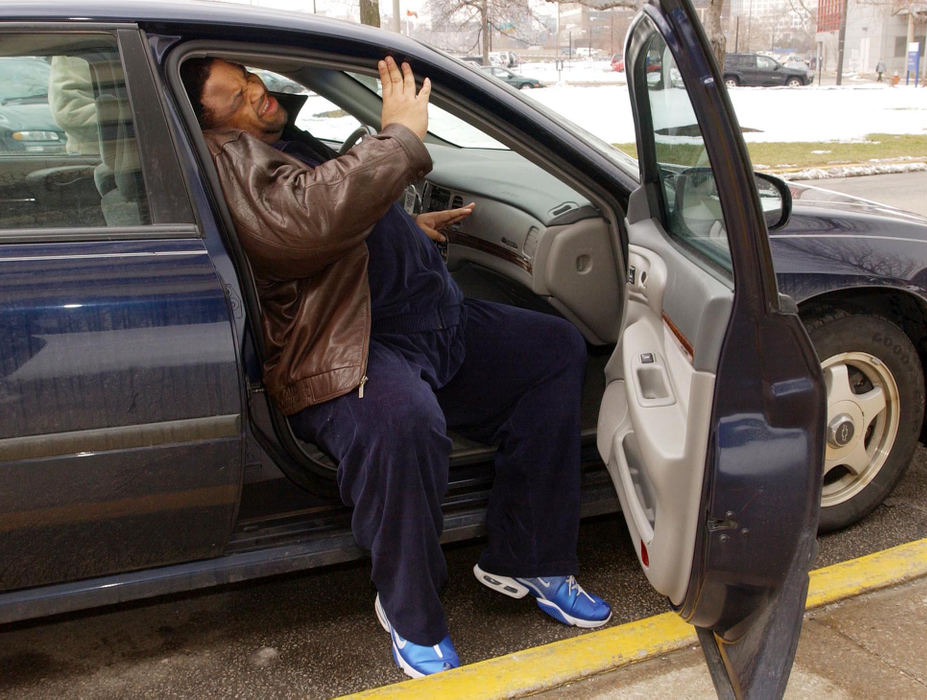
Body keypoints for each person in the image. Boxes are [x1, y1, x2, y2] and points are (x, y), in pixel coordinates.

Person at [182, 55, 611, 678]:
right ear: (207, 118)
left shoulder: (275, 139)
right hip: (350, 344)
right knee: (403, 423)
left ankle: (529, 555)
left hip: (434, 325)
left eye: (252, 78)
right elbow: (302, 222)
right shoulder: (226, 156)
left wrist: (401, 230)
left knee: (553, 350)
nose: (258, 92)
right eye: (237, 93)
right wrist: (402, 134)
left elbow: (330, 202)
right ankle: (412, 612)